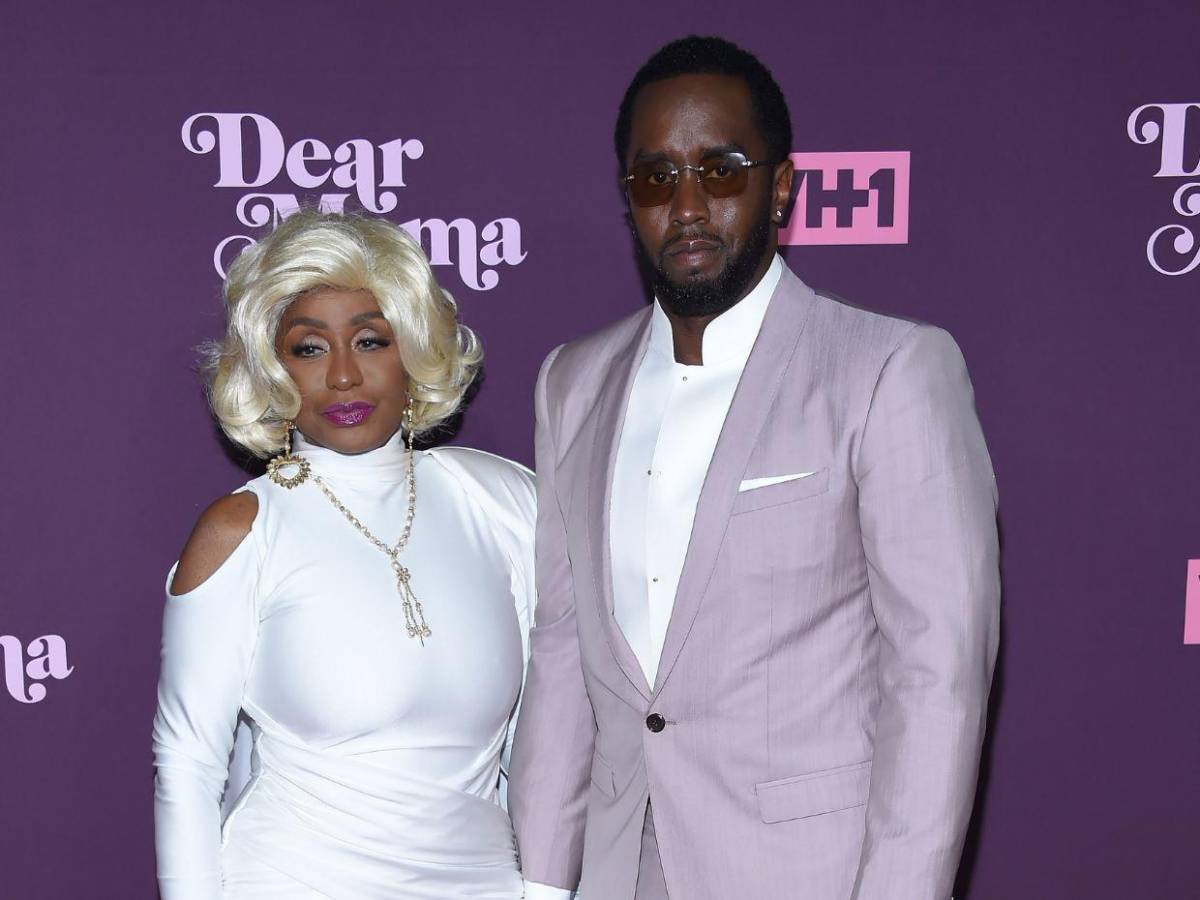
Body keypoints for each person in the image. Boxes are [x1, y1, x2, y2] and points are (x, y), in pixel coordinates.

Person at [510, 36, 1001, 900]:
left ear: (780, 187)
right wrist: (542, 885)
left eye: (721, 169)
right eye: (655, 177)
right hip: (621, 872)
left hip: (810, 874)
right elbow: (561, 656)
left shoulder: (887, 370)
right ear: (628, 198)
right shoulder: (570, 382)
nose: (687, 206)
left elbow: (937, 677)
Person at [152, 210, 535, 898]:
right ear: (272, 368)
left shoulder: (502, 500)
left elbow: (550, 743)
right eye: (309, 348)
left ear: (413, 349)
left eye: (370, 341)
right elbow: (188, 765)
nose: (344, 377)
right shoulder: (243, 528)